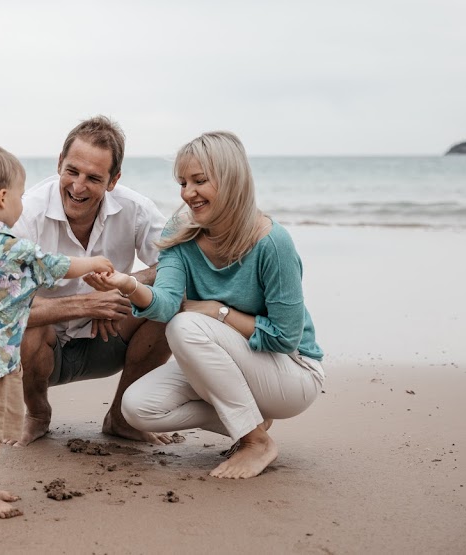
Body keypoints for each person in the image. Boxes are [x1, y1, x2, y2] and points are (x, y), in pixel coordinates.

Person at [92, 131, 325, 479]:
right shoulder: (182, 230)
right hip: (225, 364)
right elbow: (167, 304)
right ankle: (253, 422)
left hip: (291, 374)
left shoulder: (273, 243)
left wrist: (218, 311)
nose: (188, 193)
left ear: (231, 181)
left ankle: (254, 442)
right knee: (137, 408)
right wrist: (128, 285)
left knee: (186, 326)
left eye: (199, 181)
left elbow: (285, 338)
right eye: (183, 182)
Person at [0, 138, 114, 518]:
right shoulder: (16, 249)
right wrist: (95, 260)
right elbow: (61, 266)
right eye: (19, 195)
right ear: (1, 198)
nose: (22, 203)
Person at [7, 116, 171, 447]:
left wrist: (123, 285)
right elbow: (4, 303)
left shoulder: (136, 209)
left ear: (113, 180)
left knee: (171, 305)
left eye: (94, 178)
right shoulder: (27, 214)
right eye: (72, 171)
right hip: (41, 349)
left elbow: (177, 263)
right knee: (27, 321)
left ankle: (121, 420)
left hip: (108, 337)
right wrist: (85, 304)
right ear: (59, 164)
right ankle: (37, 415)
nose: (78, 186)